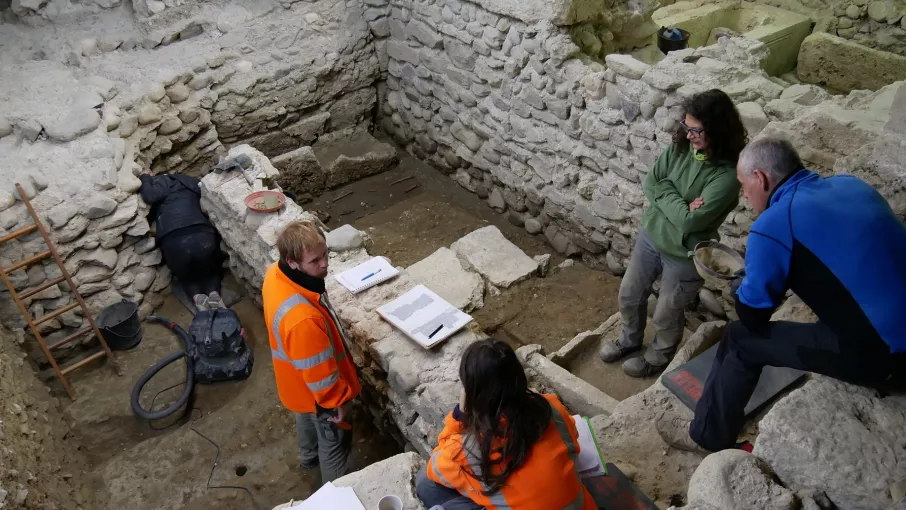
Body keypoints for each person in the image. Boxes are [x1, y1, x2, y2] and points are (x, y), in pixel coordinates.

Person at [657, 137, 906, 453]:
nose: (745, 195)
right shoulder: (851, 186)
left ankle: (707, 436)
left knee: (739, 341)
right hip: (894, 320)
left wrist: (741, 284)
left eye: (744, 185)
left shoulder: (773, 224)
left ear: (760, 178)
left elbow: (753, 316)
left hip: (889, 359)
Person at [600, 89, 747, 378]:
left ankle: (658, 357)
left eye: (696, 130)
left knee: (667, 311)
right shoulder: (681, 146)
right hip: (652, 235)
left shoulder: (728, 175)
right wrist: (679, 203)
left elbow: (691, 223)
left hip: (684, 252)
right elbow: (652, 182)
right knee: (630, 293)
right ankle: (629, 340)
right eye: (686, 126)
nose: (688, 135)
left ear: (717, 130)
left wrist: (668, 196)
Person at [416, 339, 595, 510]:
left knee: (425, 482)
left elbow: (435, 467)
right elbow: (574, 442)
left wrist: (460, 415)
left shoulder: (466, 451)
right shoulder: (551, 407)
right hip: (581, 506)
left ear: (472, 394)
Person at [262, 220, 361, 483]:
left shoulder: (275, 274)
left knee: (305, 416)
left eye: (325, 254)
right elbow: (321, 377)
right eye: (315, 261)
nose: (325, 264)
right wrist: (335, 402)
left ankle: (308, 457)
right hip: (318, 392)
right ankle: (335, 490)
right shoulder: (302, 319)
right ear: (292, 262)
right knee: (335, 443)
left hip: (295, 382)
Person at [138, 169, 223, 310]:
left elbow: (149, 196)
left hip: (174, 240)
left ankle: (198, 299)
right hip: (202, 234)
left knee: (186, 277)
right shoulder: (190, 181)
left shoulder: (161, 182)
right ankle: (214, 295)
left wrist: (145, 177)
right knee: (210, 270)